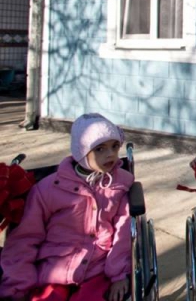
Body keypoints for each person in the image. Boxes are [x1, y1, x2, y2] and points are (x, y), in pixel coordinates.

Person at [0, 113, 133, 301]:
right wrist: (17, 285)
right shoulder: (47, 189)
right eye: (100, 149)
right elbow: (25, 238)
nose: (110, 154)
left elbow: (123, 234)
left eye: (114, 146)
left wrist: (120, 275)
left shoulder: (120, 186)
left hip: (98, 268)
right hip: (53, 268)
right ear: (81, 151)